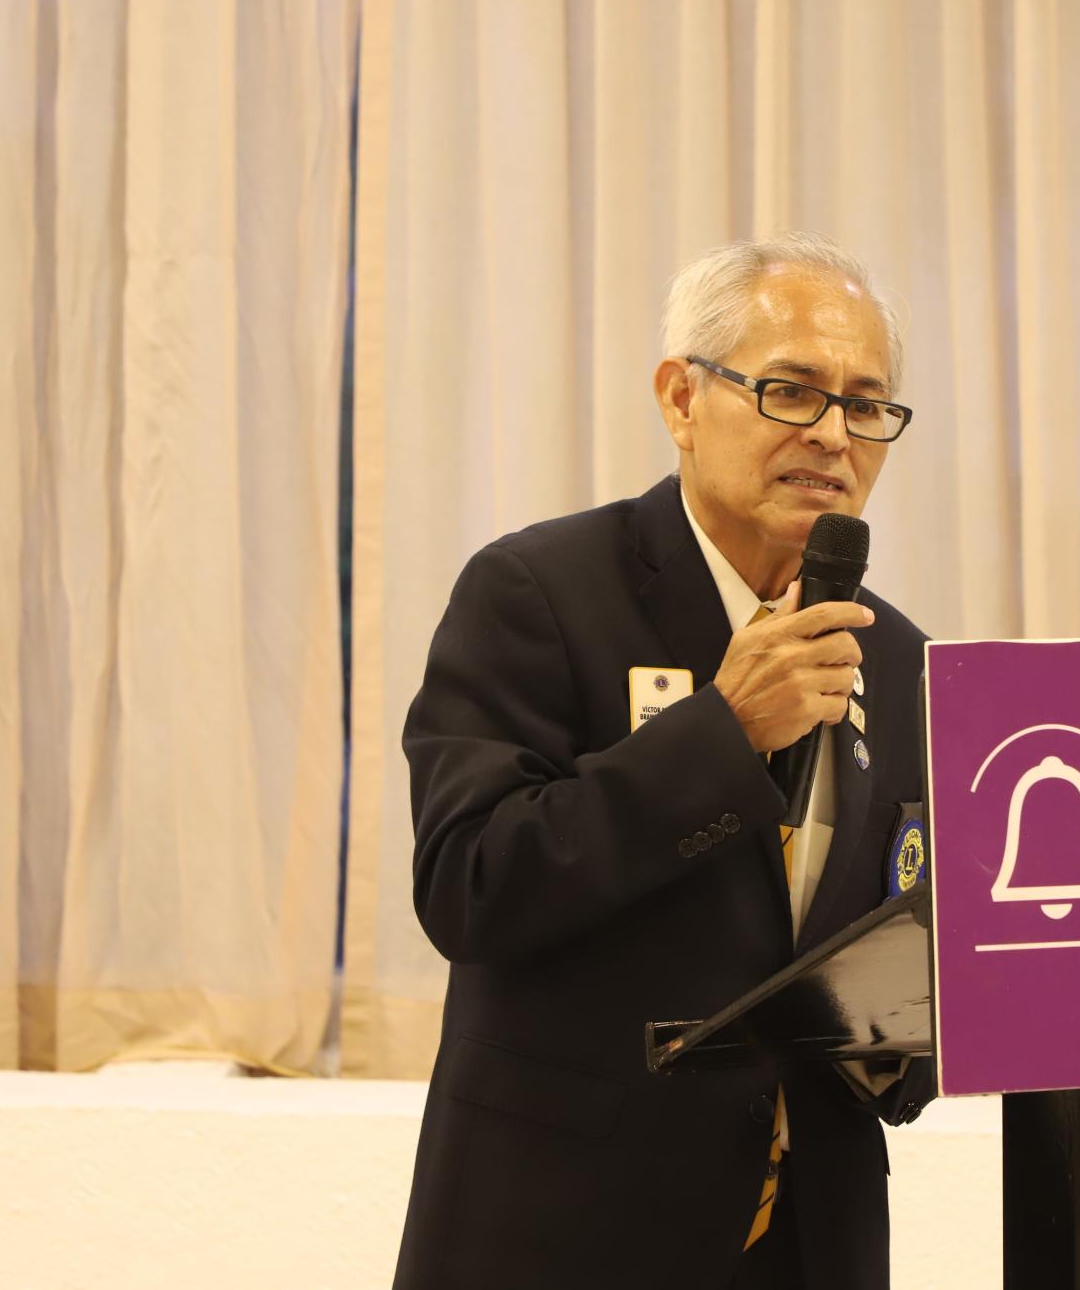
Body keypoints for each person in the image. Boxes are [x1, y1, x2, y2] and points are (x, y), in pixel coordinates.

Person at [391, 233, 932, 1289]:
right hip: (570, 1229)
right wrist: (723, 733)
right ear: (682, 398)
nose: (832, 435)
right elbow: (469, 883)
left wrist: (916, 1035)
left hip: (809, 1240)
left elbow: (893, 939)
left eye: (866, 406)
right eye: (792, 391)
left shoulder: (896, 656)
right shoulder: (538, 593)